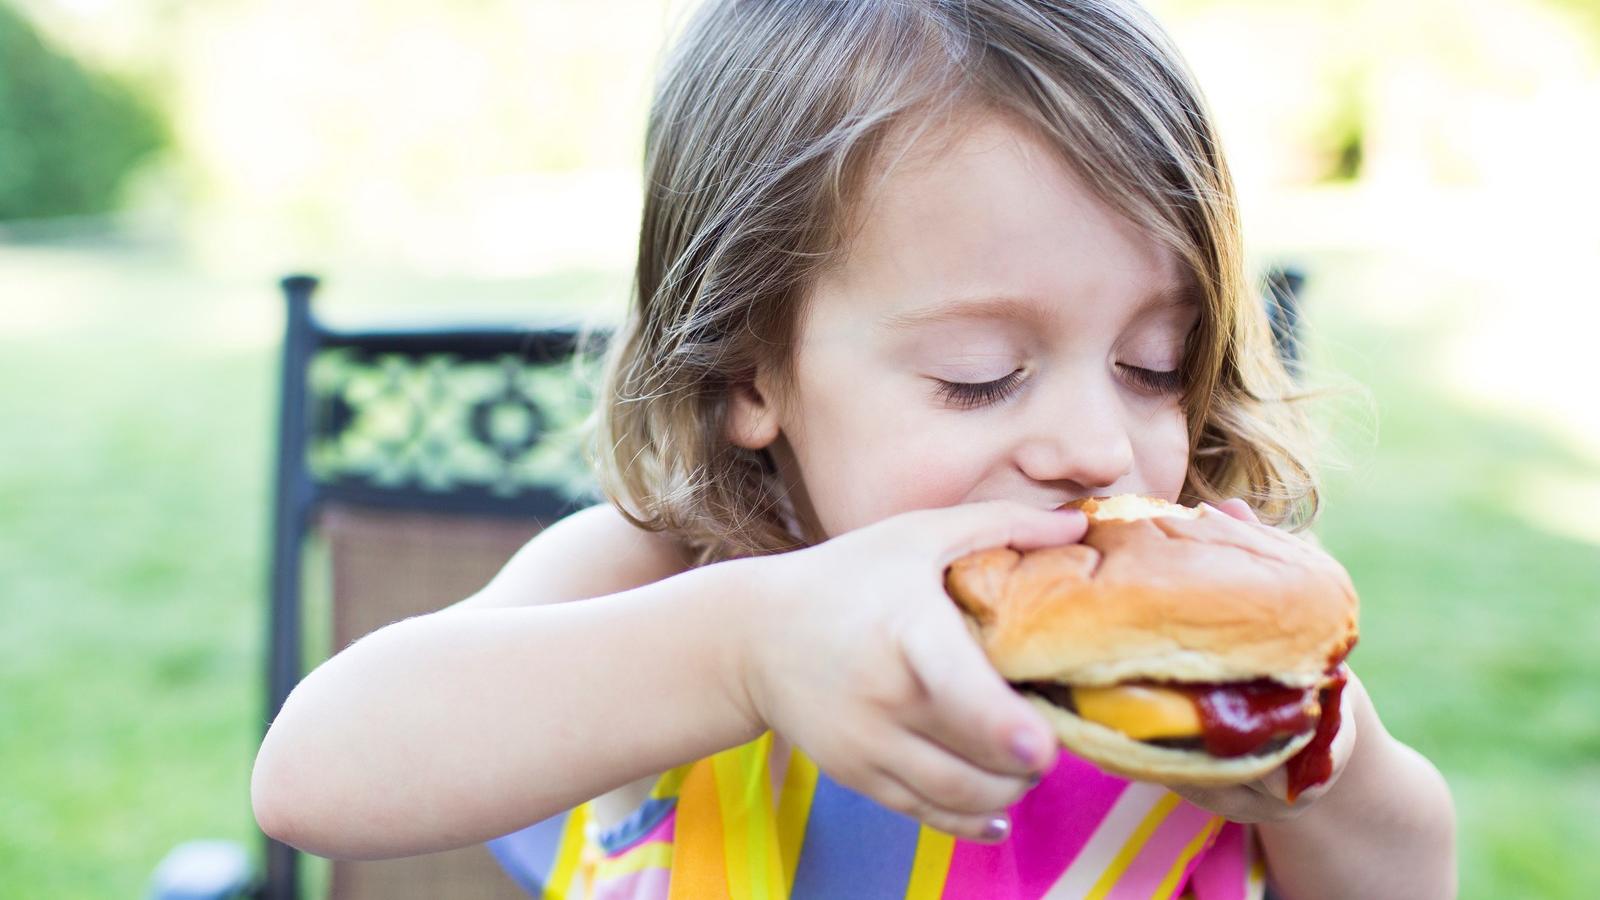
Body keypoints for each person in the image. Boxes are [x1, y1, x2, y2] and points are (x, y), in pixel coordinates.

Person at [250, 1, 1456, 897]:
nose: (1099, 446)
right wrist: (742, 652)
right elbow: (316, 776)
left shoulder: (1176, 659)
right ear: (747, 371)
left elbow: (1406, 874)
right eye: (979, 377)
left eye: (1154, 366)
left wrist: (1323, 775)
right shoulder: (662, 583)